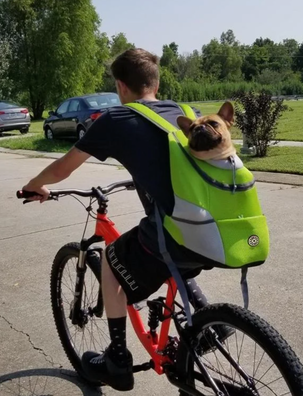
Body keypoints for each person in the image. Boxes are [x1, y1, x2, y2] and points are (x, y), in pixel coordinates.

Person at [21, 48, 214, 392]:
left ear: (121, 86)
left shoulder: (118, 119)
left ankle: (118, 361)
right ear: (156, 82)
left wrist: (36, 186)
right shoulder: (187, 112)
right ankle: (210, 321)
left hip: (173, 232)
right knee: (171, 248)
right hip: (211, 230)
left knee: (111, 261)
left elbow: (63, 167)